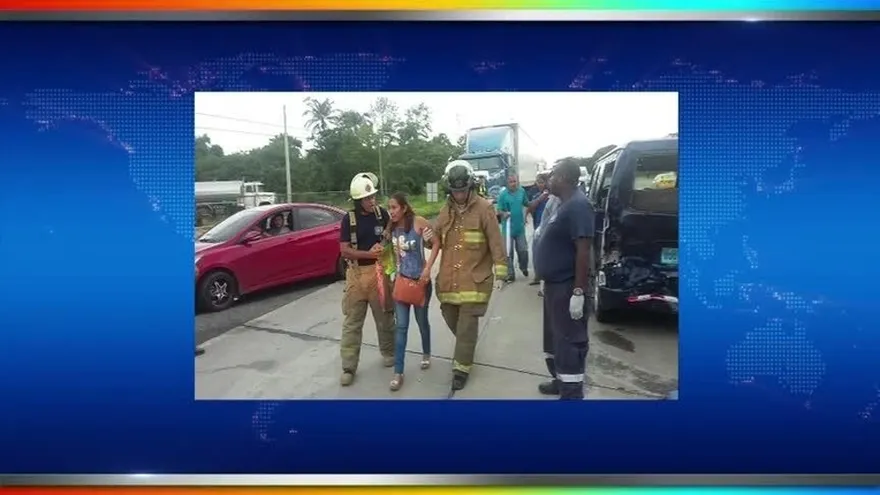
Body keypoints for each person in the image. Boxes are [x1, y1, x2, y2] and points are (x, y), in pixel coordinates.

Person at [434, 161, 508, 391]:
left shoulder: (484, 208)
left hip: (475, 279)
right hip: (449, 280)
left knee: (466, 326)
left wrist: (502, 270)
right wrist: (427, 236)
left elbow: (496, 241)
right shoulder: (445, 210)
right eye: (455, 191)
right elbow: (436, 239)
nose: (459, 195)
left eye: (463, 190)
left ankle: (461, 368)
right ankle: (466, 345)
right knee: (449, 316)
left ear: (470, 187)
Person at [533, 161, 594, 400]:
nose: (549, 180)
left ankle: (571, 394)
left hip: (567, 286)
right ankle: (559, 380)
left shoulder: (579, 205)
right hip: (554, 285)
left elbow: (583, 250)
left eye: (553, 175)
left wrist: (578, 292)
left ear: (565, 177)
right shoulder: (562, 204)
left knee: (569, 340)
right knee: (555, 339)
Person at [338, 172, 396, 387]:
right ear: (358, 200)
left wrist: (385, 243)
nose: (372, 201)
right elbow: (344, 251)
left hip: (378, 273)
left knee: (385, 318)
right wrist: (368, 254)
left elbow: (394, 229)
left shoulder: (382, 215)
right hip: (355, 276)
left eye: (373, 196)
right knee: (352, 323)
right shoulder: (349, 219)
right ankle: (348, 367)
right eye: (368, 198)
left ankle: (389, 353)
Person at [386, 192, 440, 391]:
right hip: (401, 283)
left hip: (421, 283)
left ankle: (426, 353)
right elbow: (387, 251)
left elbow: (436, 243)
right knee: (401, 327)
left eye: (394, 208)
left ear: (404, 208)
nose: (391, 212)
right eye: (389, 208)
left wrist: (428, 268)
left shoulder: (419, 222)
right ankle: (398, 372)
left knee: (422, 322)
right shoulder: (391, 227)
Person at [495, 174, 530, 283]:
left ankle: (523, 267)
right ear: (507, 183)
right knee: (508, 252)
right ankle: (510, 274)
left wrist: (526, 216)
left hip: (519, 228)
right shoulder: (503, 195)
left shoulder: (521, 192)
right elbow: (498, 210)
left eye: (515, 181)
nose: (513, 184)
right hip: (508, 229)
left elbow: (526, 204)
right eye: (511, 182)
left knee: (523, 250)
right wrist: (504, 213)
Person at [526, 173, 551, 286]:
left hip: (548, 229)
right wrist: (540, 199)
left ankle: (545, 278)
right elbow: (530, 206)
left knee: (546, 254)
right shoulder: (537, 195)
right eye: (538, 182)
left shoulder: (552, 196)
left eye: (541, 182)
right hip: (537, 228)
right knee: (536, 252)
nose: (539, 184)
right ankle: (538, 276)